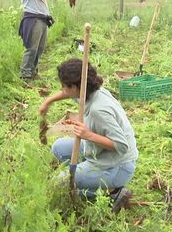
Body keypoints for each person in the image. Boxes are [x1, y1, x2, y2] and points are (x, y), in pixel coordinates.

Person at [39, 59, 138, 213]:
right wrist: (48, 101)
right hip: (100, 150)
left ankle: (114, 193)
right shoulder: (90, 91)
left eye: (64, 86)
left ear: (76, 87)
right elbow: (68, 94)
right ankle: (85, 175)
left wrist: (88, 135)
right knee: (58, 147)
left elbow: (121, 146)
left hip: (117, 165)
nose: (62, 89)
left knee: (58, 184)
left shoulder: (99, 110)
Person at [18, 0, 74, 80]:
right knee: (32, 48)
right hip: (32, 19)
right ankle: (25, 75)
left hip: (43, 19)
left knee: (40, 48)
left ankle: (33, 72)